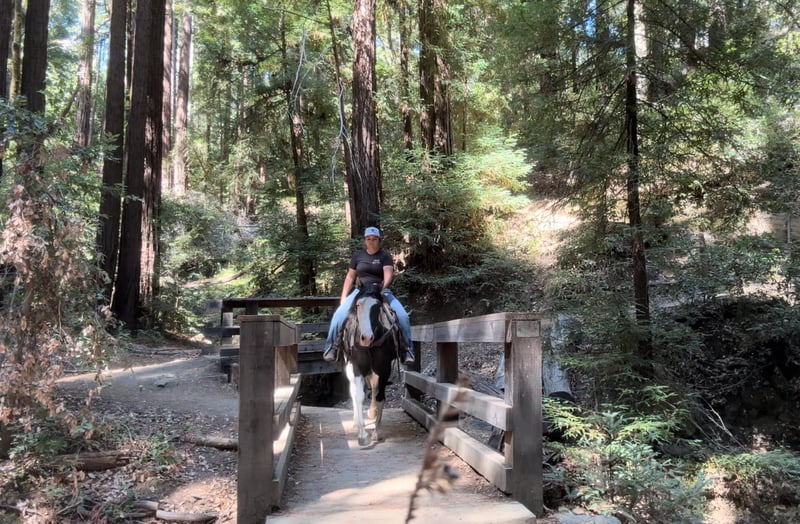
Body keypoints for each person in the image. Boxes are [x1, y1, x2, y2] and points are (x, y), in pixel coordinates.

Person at [323, 226, 415, 365]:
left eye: (374, 239)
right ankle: (332, 348)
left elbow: (388, 275)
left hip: (381, 289)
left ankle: (407, 350)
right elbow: (350, 277)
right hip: (360, 290)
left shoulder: (384, 256)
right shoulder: (358, 256)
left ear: (379, 240)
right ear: (365, 240)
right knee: (339, 314)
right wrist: (343, 297)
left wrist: (382, 288)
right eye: (368, 239)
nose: (371, 241)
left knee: (403, 316)